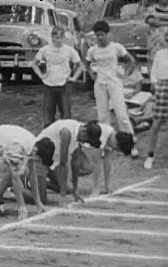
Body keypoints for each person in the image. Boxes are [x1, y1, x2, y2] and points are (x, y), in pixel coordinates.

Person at [85, 21, 140, 158]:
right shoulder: (93, 50)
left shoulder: (116, 47)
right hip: (100, 85)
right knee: (103, 116)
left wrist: (126, 74)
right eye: (97, 35)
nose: (100, 38)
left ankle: (131, 143)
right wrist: (92, 75)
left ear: (108, 34)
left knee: (121, 115)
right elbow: (86, 62)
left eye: (102, 35)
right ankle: (105, 145)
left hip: (115, 83)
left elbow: (131, 60)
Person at [0, 125, 54, 218]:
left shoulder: (33, 145)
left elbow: (33, 177)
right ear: (36, 151)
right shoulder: (18, 149)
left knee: (25, 171)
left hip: (0, 146)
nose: (36, 162)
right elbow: (15, 178)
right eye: (37, 160)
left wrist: (38, 202)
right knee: (18, 171)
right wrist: (21, 205)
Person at [35, 119, 102, 203]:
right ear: (84, 131)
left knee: (69, 188)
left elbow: (76, 163)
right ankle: (28, 183)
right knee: (42, 200)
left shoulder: (78, 133)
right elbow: (63, 163)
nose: (84, 142)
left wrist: (75, 190)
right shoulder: (66, 132)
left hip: (52, 161)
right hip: (40, 159)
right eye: (86, 139)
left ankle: (45, 182)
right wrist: (63, 196)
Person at [32, 26, 83, 127]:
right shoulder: (45, 50)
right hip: (49, 85)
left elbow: (80, 66)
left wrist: (73, 78)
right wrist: (41, 75)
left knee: (66, 114)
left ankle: (67, 134)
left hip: (64, 84)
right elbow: (34, 64)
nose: (59, 40)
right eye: (56, 37)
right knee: (48, 115)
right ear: (52, 37)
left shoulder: (69, 50)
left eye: (61, 37)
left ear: (64, 38)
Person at [89, 122, 135, 197]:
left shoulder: (111, 136)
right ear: (116, 142)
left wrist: (107, 185)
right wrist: (95, 188)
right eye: (116, 148)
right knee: (87, 168)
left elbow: (107, 160)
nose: (115, 150)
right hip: (73, 142)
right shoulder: (103, 134)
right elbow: (96, 161)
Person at [144, 30, 168, 170]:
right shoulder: (160, 54)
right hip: (162, 87)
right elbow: (153, 71)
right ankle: (150, 156)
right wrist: (154, 83)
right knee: (156, 123)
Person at [145, 0, 168, 73]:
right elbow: (152, 22)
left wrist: (158, 16)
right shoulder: (150, 10)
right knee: (155, 73)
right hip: (155, 48)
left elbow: (156, 21)